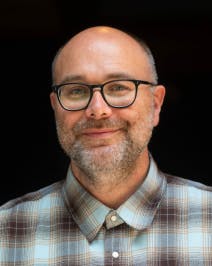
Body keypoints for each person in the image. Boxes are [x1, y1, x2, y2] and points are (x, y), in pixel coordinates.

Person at [0, 25, 211, 265]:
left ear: (155, 104)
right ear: (55, 108)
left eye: (118, 87)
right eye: (77, 91)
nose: (98, 110)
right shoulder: (6, 234)